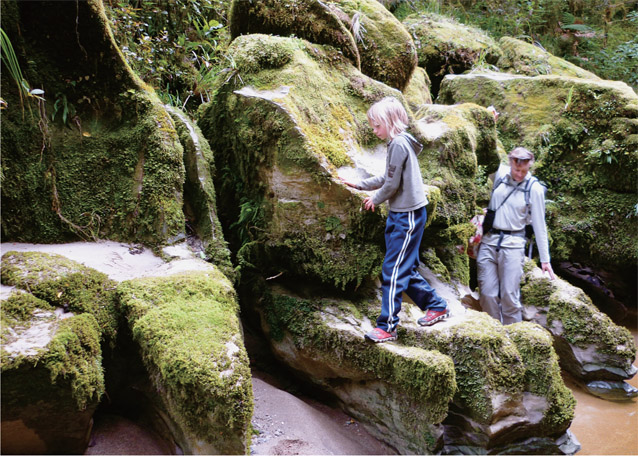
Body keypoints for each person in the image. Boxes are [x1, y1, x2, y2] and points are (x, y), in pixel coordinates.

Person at [341, 97, 448, 343]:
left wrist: (374, 200)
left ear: (389, 122)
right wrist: (360, 184)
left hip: (407, 216)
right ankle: (436, 305)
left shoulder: (399, 144)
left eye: (376, 125)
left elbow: (391, 184)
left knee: (393, 270)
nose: (374, 130)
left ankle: (387, 326)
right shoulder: (396, 144)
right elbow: (386, 176)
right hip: (401, 214)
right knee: (404, 267)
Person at [477, 147, 556, 324]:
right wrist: (491, 121)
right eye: (516, 170)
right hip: (489, 242)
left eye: (524, 171)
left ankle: (514, 336)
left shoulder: (533, 189)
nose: (519, 174)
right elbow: (488, 150)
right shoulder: (500, 175)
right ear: (510, 163)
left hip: (513, 245)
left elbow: (539, 225)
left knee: (509, 296)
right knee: (487, 294)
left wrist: (545, 260)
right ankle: (496, 335)